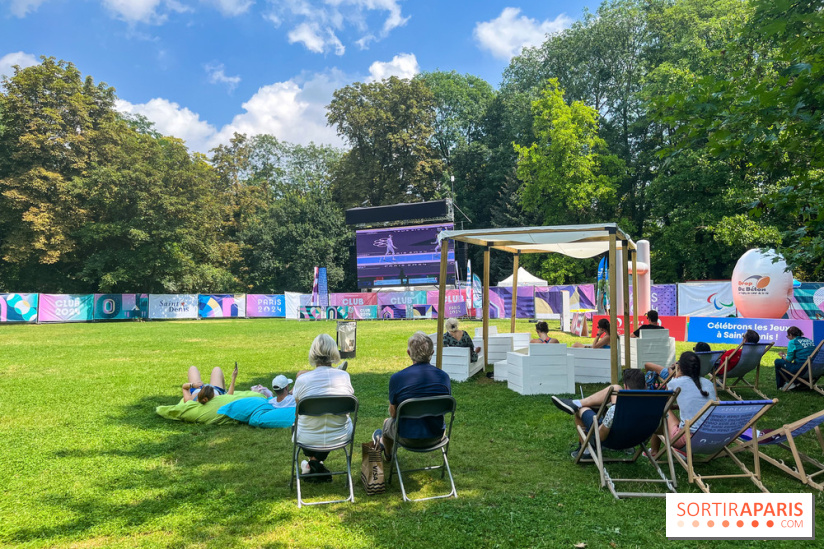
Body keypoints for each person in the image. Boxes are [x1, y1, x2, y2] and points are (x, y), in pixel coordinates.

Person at [373, 331, 452, 461]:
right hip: (436, 435)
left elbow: (393, 414)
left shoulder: (398, 378)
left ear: (409, 353)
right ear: (432, 353)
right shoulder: (444, 377)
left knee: (387, 423)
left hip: (406, 436)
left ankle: (388, 455)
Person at [293, 334, 355, 482]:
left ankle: (313, 463)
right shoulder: (344, 377)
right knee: (328, 419)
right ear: (334, 352)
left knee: (305, 423)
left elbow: (298, 410)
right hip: (339, 435)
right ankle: (315, 463)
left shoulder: (302, 380)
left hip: (308, 436)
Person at [551, 369, 646, 458]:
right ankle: (578, 403)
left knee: (581, 409)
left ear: (625, 386)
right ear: (645, 386)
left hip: (613, 439)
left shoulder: (615, 410)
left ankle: (587, 450)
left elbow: (601, 436)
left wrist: (607, 416)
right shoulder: (652, 405)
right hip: (635, 439)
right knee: (615, 389)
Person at [651, 351, 717, 452]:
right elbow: (698, 404)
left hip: (687, 440)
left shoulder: (675, 383)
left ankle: (654, 451)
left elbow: (664, 403)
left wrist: (676, 376)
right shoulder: (708, 383)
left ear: (680, 367)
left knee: (658, 406)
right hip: (713, 438)